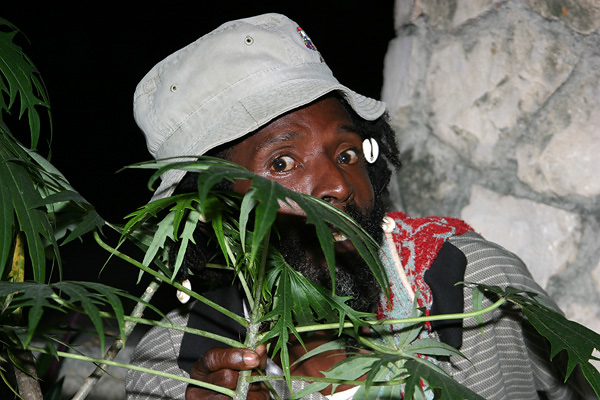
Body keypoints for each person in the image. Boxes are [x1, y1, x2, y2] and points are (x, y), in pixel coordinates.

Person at [125, 13, 588, 400]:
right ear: (208, 206)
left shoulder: (474, 287)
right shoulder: (169, 365)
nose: (338, 186)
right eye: (283, 162)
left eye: (346, 153)